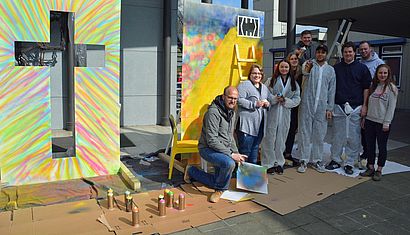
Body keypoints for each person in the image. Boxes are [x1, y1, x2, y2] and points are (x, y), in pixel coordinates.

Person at [184, 86, 247, 203]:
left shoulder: (231, 111)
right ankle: (220, 189)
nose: (233, 101)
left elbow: (230, 136)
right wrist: (231, 154)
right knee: (229, 163)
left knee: (216, 180)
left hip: (221, 150)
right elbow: (211, 140)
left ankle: (192, 171)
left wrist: (237, 152)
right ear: (223, 97)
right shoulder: (213, 112)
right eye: (230, 98)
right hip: (207, 148)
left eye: (235, 99)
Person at [326, 41, 372, 175]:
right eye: (345, 52)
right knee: (337, 136)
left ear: (354, 52)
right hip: (339, 106)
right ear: (343, 53)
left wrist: (364, 106)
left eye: (350, 52)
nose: (348, 54)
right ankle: (335, 159)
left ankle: (350, 162)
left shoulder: (362, 68)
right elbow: (330, 88)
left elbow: (366, 88)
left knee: (353, 137)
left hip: (356, 107)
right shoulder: (336, 68)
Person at [297, 44, 336, 173]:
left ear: (326, 54)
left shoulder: (330, 70)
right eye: (318, 52)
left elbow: (332, 90)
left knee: (319, 134)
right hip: (307, 104)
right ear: (315, 54)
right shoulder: (309, 65)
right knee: (304, 133)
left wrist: (329, 108)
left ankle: (317, 160)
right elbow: (304, 72)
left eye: (323, 52)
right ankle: (303, 159)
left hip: (322, 107)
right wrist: (305, 64)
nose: (320, 54)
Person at [261, 60, 301, 174]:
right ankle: (268, 163)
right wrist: (274, 99)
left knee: (281, 139)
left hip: (284, 114)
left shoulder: (293, 83)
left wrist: (285, 101)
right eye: (282, 67)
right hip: (272, 113)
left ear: (289, 69)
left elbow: (297, 99)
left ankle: (279, 162)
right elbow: (265, 95)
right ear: (278, 68)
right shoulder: (271, 80)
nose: (284, 69)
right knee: (269, 139)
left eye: (286, 67)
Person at [359, 64, 398, 181]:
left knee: (382, 147)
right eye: (380, 73)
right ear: (376, 74)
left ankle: (379, 169)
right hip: (370, 120)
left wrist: (387, 122)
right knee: (369, 146)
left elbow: (391, 107)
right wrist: (364, 118)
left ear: (388, 74)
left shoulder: (391, 88)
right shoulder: (373, 86)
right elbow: (368, 104)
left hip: (382, 123)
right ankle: (370, 167)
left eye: (385, 73)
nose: (382, 75)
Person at [358, 41, 385, 167]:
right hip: (364, 97)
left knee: (375, 130)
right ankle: (366, 153)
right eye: (361, 49)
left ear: (370, 49)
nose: (363, 51)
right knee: (363, 127)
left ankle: (375, 157)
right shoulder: (360, 63)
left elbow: (385, 79)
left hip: (376, 100)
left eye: (365, 49)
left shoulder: (379, 63)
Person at [237, 64, 271, 164]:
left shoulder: (264, 87)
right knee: (245, 152)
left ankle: (252, 176)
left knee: (255, 150)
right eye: (254, 73)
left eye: (259, 73)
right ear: (250, 74)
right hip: (247, 126)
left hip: (259, 125)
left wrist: (268, 103)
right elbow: (239, 100)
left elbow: (269, 99)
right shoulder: (244, 85)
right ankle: (243, 177)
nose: (257, 75)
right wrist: (254, 104)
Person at [283, 52, 303, 166]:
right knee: (283, 129)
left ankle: (288, 153)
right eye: (292, 59)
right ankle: (281, 152)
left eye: (296, 58)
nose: (294, 60)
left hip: (296, 105)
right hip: (284, 105)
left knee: (292, 129)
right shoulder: (285, 71)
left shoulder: (302, 72)